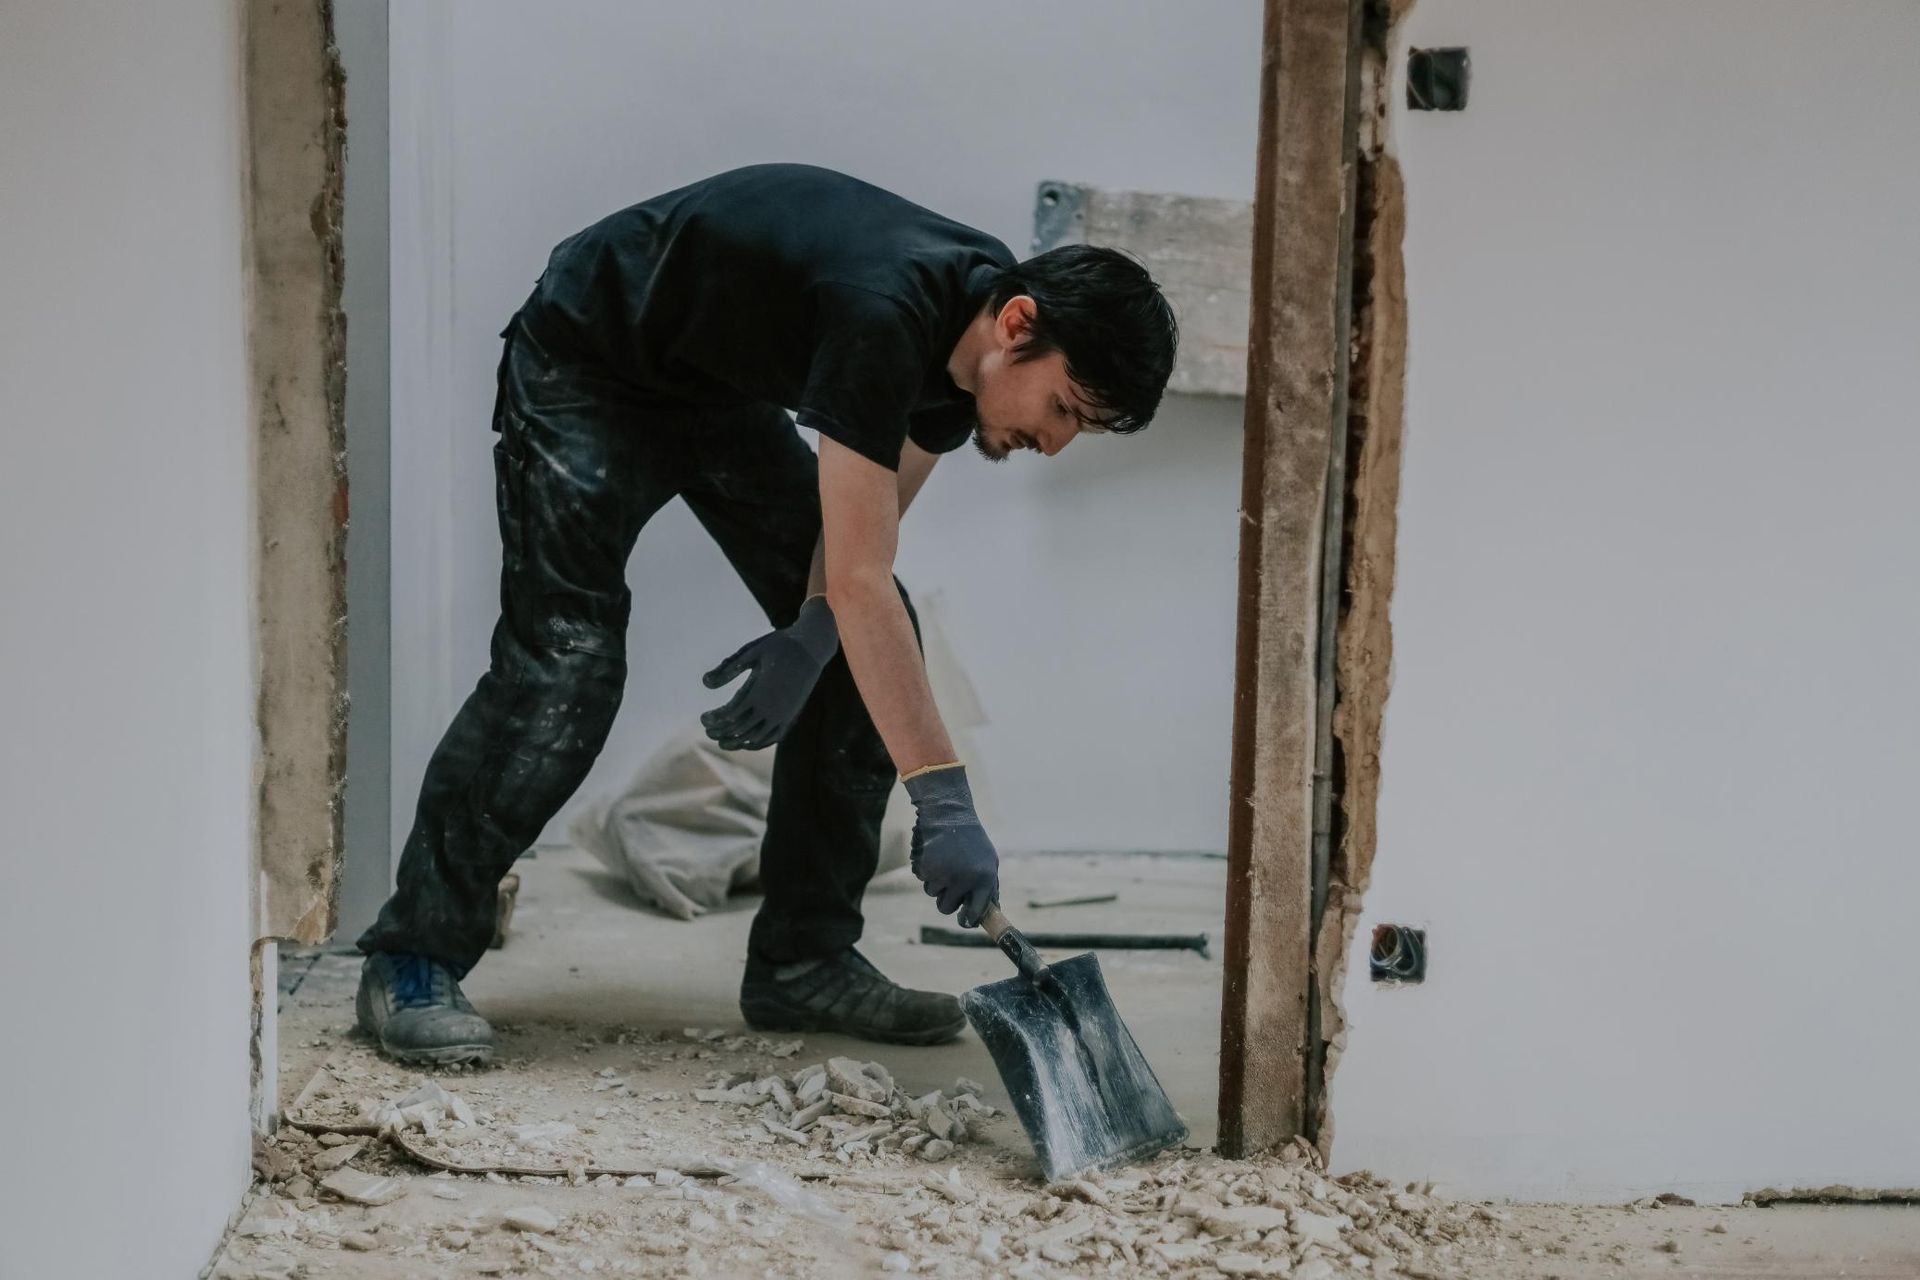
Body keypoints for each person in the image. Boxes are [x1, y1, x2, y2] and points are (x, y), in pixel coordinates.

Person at [354, 163, 1178, 1064]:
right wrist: (943, 802)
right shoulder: (885, 312)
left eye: (1078, 429)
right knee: (566, 664)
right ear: (1018, 324)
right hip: (588, 361)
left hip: (716, 387)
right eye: (1062, 408)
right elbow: (859, 578)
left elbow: (865, 551)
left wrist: (815, 633)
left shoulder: (965, 345)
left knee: (863, 651)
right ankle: (413, 955)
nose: (1053, 444)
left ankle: (802, 960)